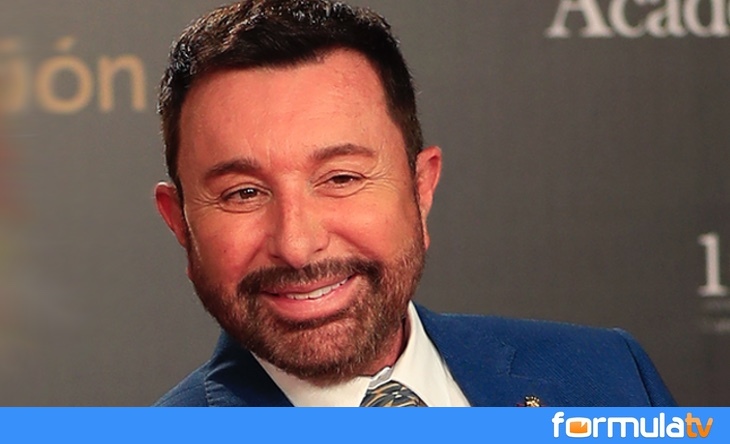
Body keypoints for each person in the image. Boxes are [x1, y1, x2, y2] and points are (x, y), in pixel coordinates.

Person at [153, 0, 676, 407]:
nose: (296, 244)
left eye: (341, 178)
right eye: (244, 193)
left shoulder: (610, 376)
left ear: (421, 187)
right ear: (180, 223)